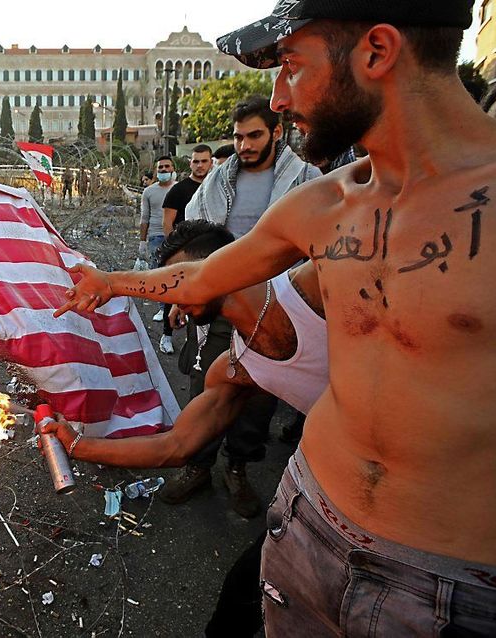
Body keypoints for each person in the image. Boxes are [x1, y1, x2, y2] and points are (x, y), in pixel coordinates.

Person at [56, 1, 496, 634]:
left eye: (291, 67)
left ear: (377, 51)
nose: (277, 99)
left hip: (459, 588)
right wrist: (109, 281)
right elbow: (202, 274)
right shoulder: (324, 204)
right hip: (305, 528)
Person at [43, 219, 327, 637]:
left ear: (220, 267)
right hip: (328, 507)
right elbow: (176, 445)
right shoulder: (236, 367)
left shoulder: (314, 285)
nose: (172, 295)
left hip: (437, 521)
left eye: (173, 281)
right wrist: (80, 446)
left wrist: (112, 282)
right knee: (235, 608)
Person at [165, 97, 321, 518]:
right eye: (237, 137)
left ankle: (237, 467)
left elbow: (320, 249)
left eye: (254, 135)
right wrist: (184, 295)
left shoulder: (308, 180)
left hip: (279, 307)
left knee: (258, 396)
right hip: (220, 303)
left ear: (276, 132)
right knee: (205, 387)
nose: (245, 145)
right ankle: (197, 465)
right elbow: (193, 241)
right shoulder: (216, 182)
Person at [152, 145, 214, 354]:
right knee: (176, 293)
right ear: (190, 163)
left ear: (211, 162)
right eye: (196, 161)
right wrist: (175, 253)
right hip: (184, 253)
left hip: (211, 252)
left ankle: (197, 340)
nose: (199, 165)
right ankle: (167, 336)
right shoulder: (178, 190)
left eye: (204, 161)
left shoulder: (217, 187)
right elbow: (168, 223)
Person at [139, 155, 177, 278]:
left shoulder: (179, 188)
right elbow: (144, 218)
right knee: (156, 273)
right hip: (156, 237)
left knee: (174, 272)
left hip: (176, 236)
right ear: (156, 170)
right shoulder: (148, 191)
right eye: (160, 167)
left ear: (173, 169)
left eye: (167, 166)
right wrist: (142, 242)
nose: (164, 169)